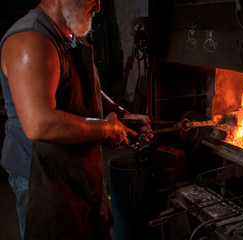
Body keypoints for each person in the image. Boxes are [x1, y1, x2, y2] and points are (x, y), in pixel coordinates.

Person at [0, 0, 152, 239]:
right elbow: (41, 124)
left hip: (80, 168)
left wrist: (121, 114)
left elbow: (85, 86)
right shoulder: (31, 40)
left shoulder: (70, 34)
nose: (99, 7)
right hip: (44, 179)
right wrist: (105, 129)